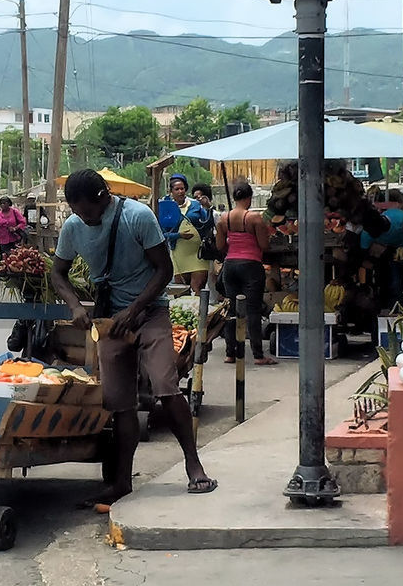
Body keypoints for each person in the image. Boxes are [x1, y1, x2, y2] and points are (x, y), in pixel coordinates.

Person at [50, 169, 216, 504]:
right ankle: (122, 481)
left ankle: (194, 464)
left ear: (102, 198)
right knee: (119, 402)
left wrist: (136, 309)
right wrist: (74, 306)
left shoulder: (136, 217)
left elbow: (164, 270)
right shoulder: (73, 228)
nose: (83, 218)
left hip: (150, 312)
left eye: (86, 211)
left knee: (166, 388)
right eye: (76, 212)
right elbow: (58, 272)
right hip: (110, 317)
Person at [215, 179, 278, 366]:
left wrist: (233, 245)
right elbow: (264, 245)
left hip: (230, 265)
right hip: (251, 265)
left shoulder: (223, 219)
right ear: (249, 198)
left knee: (232, 309)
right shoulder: (254, 219)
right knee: (253, 310)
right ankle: (258, 355)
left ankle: (230, 353)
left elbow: (220, 246)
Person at [165, 174, 212, 296]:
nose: (180, 191)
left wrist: (208, 208)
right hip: (179, 255)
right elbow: (162, 234)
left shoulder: (195, 205)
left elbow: (208, 224)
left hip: (198, 254)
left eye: (182, 188)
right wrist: (179, 235)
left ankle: (200, 313)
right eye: (177, 189)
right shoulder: (166, 207)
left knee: (197, 289)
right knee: (181, 292)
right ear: (171, 191)